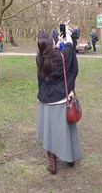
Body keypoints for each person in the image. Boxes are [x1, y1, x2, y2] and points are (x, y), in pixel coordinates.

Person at [35, 29, 81, 175]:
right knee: (65, 129)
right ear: (52, 43)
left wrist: (58, 41)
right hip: (62, 98)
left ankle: (53, 163)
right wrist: (67, 37)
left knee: (49, 131)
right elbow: (71, 55)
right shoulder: (62, 55)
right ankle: (70, 158)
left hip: (46, 99)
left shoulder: (39, 57)